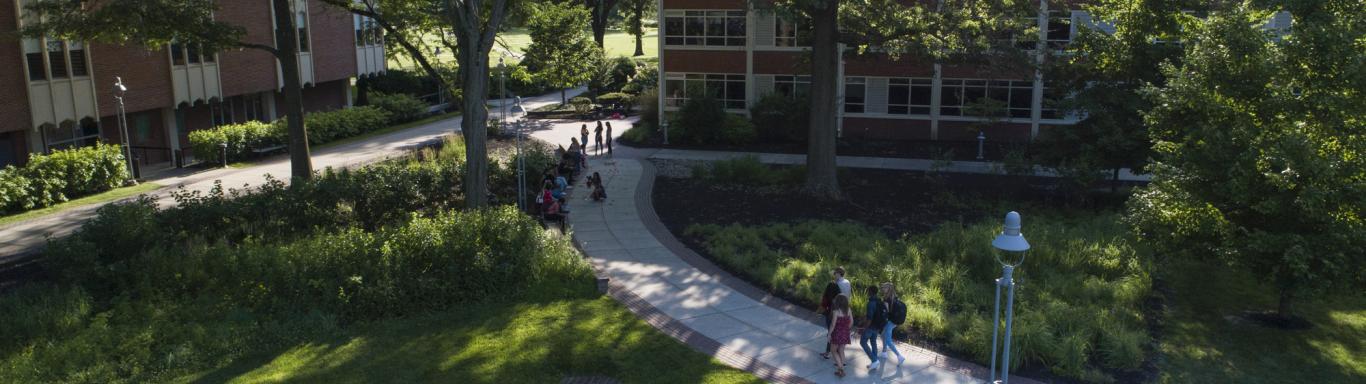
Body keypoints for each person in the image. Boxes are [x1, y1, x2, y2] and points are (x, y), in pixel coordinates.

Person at [859, 285, 887, 371]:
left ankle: (874, 360)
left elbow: (870, 318)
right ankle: (874, 362)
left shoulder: (871, 303)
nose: (867, 292)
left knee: (863, 342)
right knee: (873, 342)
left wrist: (864, 327)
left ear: (870, 292)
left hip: (870, 327)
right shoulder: (880, 301)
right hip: (878, 326)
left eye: (868, 291)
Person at [879, 283, 907, 366]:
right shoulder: (894, 297)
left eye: (884, 288)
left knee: (888, 340)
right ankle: (884, 352)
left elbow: (886, 312)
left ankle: (899, 356)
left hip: (890, 321)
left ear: (888, 289)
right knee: (882, 335)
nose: (882, 289)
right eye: (882, 287)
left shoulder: (886, 299)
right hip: (896, 321)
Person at [828, 294, 854, 378]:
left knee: (833, 350)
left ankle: (841, 369)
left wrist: (829, 334)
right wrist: (846, 329)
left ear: (837, 302)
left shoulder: (836, 312)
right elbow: (851, 322)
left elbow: (832, 324)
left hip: (837, 333)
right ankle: (841, 369)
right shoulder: (849, 310)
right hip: (845, 333)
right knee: (841, 350)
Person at [819, 280, 842, 360]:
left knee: (830, 334)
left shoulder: (827, 296)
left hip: (830, 316)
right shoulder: (841, 297)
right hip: (840, 316)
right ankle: (839, 352)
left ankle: (828, 352)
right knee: (837, 333)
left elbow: (823, 306)